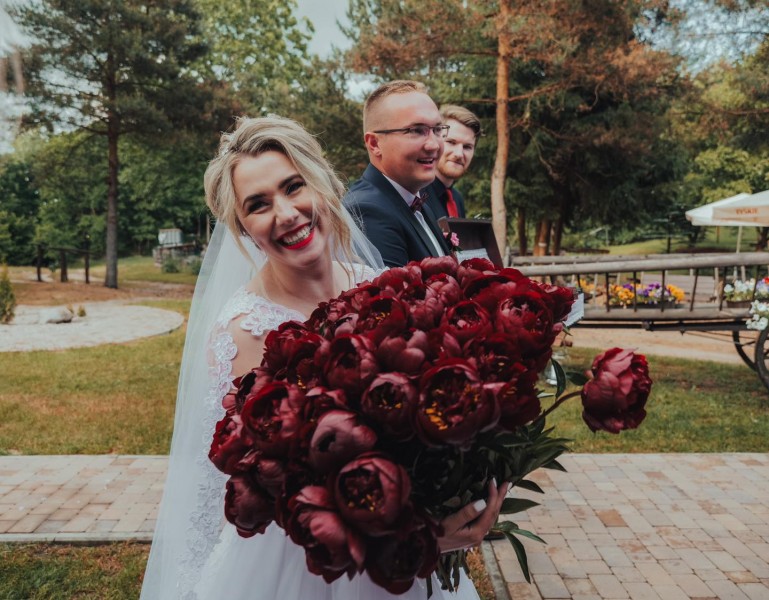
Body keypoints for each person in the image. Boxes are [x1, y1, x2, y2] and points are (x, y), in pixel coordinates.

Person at [140, 115, 509, 600]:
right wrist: (414, 536)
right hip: (307, 566)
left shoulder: (379, 287)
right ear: (243, 228)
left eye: (294, 187)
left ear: (321, 183)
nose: (286, 213)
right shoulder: (244, 333)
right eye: (258, 205)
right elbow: (264, 493)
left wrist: (465, 488)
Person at [343, 80, 451, 268]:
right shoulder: (368, 212)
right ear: (374, 144)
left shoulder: (417, 200)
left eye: (437, 129)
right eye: (417, 131)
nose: (434, 144)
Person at [425, 105, 482, 221]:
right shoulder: (416, 195)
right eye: (451, 142)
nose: (459, 154)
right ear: (435, 141)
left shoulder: (457, 199)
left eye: (467, 147)